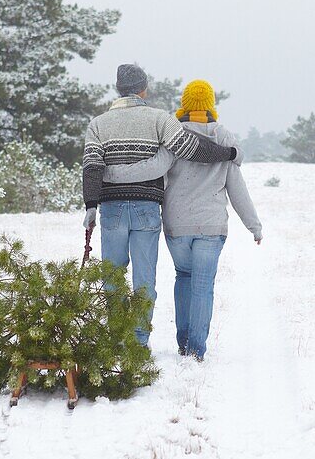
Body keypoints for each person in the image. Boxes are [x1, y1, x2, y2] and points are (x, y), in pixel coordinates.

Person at [82, 65, 241, 347]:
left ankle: (117, 340)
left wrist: (91, 206)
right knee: (144, 279)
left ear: (118, 89)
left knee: (112, 276)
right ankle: (139, 342)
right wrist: (228, 153)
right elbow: (192, 149)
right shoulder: (159, 119)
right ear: (144, 89)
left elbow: (92, 165)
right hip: (146, 207)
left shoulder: (98, 124)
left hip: (111, 209)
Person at [105, 79, 262, 361]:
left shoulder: (175, 136)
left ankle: (182, 341)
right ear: (211, 104)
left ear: (185, 103)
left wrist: (115, 174)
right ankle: (195, 350)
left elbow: (154, 168)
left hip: (177, 225)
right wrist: (254, 225)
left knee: (184, 276)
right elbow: (237, 187)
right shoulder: (225, 138)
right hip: (212, 226)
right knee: (203, 284)